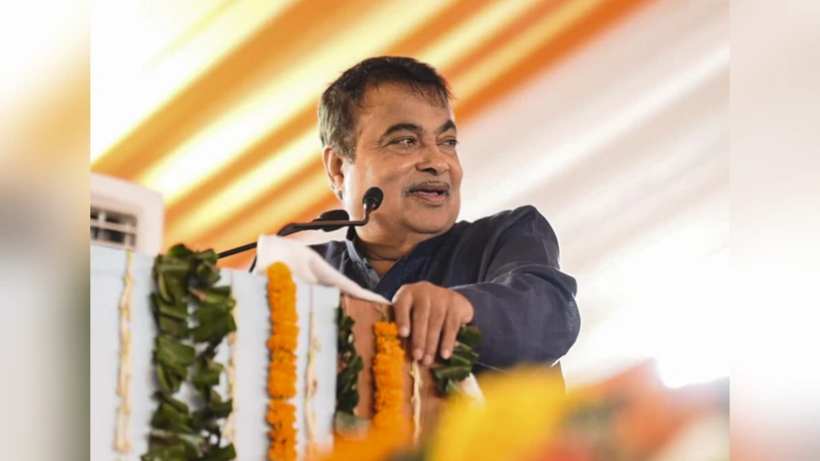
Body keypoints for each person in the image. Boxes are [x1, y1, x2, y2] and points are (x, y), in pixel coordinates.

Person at [310, 56, 580, 377]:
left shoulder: (504, 238)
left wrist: (461, 309)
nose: (438, 162)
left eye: (447, 142)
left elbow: (549, 315)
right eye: (406, 141)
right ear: (338, 168)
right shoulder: (300, 277)